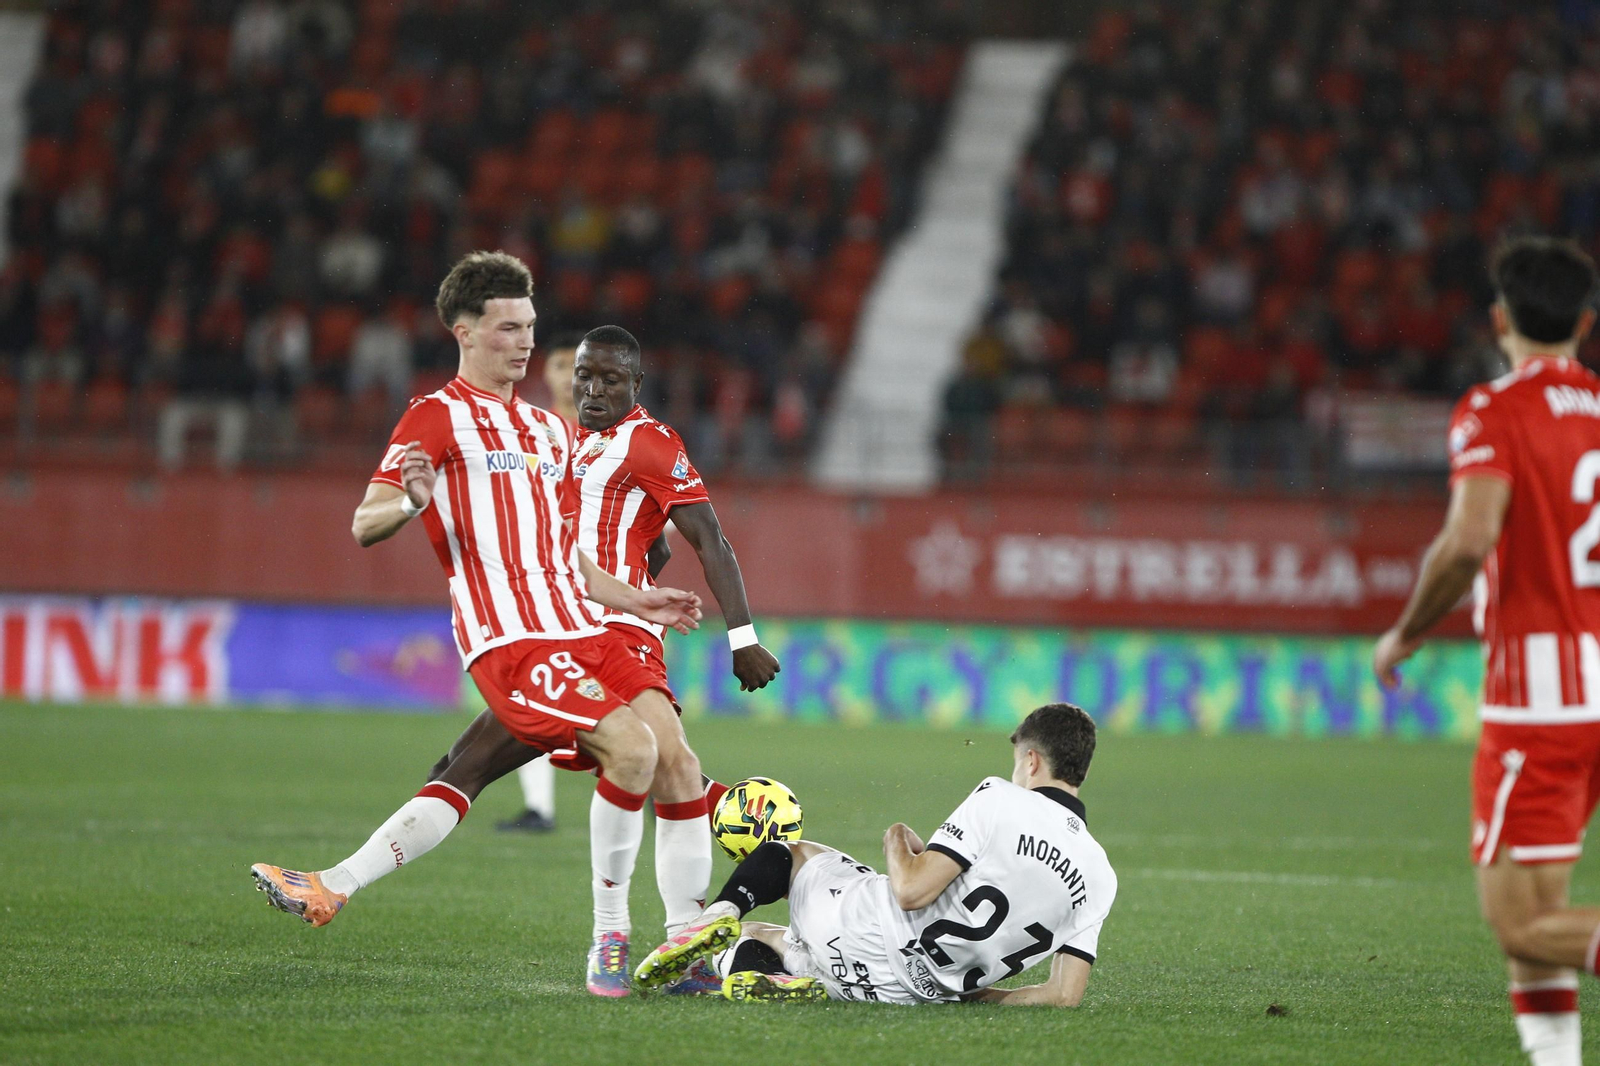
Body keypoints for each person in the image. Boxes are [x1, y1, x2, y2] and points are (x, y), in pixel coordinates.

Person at [248, 251, 703, 999]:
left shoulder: (549, 433)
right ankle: (610, 938)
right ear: (464, 331)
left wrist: (639, 599)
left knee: (676, 759)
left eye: (530, 326)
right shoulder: (436, 416)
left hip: (579, 628)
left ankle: (684, 949)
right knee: (632, 750)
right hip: (512, 643)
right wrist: (412, 501)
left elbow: (563, 555)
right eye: (507, 328)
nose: (525, 343)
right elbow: (366, 521)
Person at [1374, 237, 1600, 1066]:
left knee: (1518, 918)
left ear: (1500, 319)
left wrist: (1406, 631)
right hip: (1595, 689)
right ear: (1583, 322)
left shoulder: (1493, 410)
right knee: (1543, 912)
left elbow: (1468, 543)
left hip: (1539, 703)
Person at [633, 703, 1116, 1006]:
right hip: (903, 995)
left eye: (1018, 763)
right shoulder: (1101, 877)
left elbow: (909, 892)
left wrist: (895, 839)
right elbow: (1062, 995)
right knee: (776, 937)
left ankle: (719, 916)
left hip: (865, 931)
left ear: (1031, 760)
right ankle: (783, 976)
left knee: (792, 854)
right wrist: (976, 996)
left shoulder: (1000, 797)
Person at [567, 324, 782, 990]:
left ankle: (675, 947)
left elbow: (708, 539)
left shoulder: (651, 442)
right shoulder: (566, 443)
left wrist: (741, 638)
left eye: (608, 379)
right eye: (584, 376)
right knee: (666, 766)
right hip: (559, 628)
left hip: (619, 630)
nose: (593, 390)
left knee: (672, 765)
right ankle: (633, 938)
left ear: (635, 384)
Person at [496, 330, 584, 835]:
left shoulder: (612, 436)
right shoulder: (530, 433)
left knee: (628, 698)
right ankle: (539, 809)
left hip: (602, 587)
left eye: (577, 365)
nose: (568, 375)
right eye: (558, 364)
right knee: (529, 692)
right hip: (544, 584)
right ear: (543, 373)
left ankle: (666, 788)